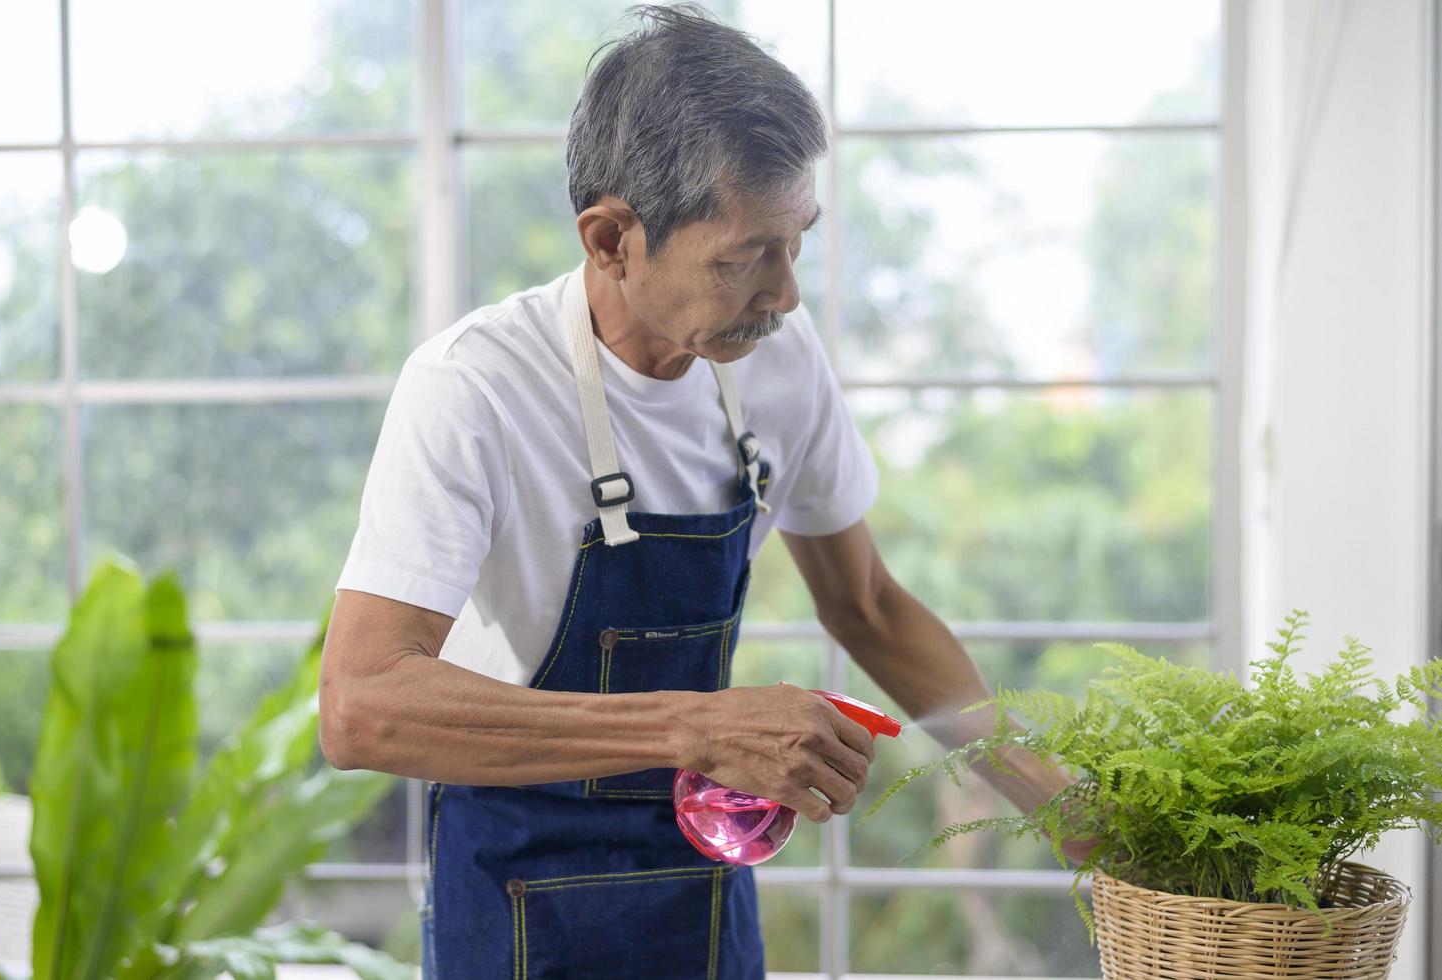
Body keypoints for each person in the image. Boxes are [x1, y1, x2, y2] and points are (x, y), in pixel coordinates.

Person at [320, 5, 1076, 977]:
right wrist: (697, 725)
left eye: (797, 239)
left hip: (702, 881)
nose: (786, 293)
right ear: (610, 239)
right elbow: (363, 701)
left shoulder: (777, 357)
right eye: (744, 256)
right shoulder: (473, 387)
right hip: (513, 888)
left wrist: (1074, 811)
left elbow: (871, 604)